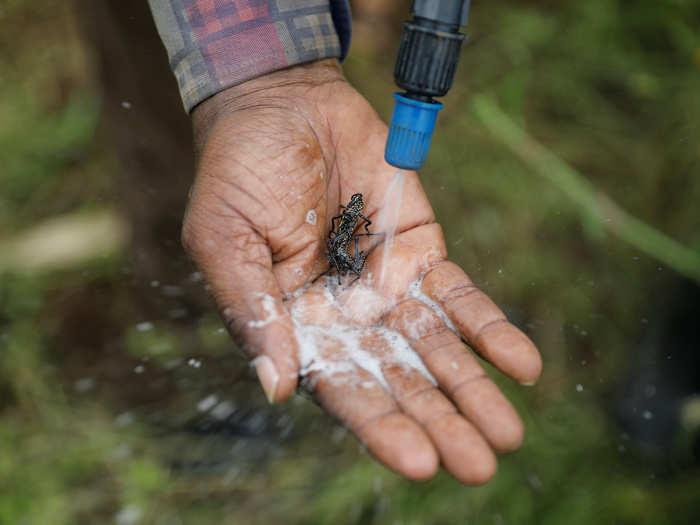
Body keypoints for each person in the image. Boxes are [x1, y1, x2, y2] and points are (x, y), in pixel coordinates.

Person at [147, 0, 542, 485]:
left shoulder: (351, 232)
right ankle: (202, 373)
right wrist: (258, 82)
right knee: (171, 153)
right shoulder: (347, 231)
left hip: (343, 246)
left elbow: (351, 232)